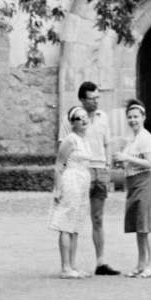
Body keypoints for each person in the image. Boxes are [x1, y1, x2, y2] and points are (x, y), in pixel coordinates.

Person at [76, 81, 120, 275]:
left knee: (98, 217)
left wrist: (108, 168)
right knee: (75, 216)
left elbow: (108, 144)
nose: (96, 102)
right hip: (82, 170)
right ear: (82, 100)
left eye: (97, 98)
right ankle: (71, 264)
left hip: (100, 170)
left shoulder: (103, 117)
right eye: (92, 98)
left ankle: (101, 262)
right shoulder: (75, 117)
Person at [113, 98, 151, 278]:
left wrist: (127, 158)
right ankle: (141, 264)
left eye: (136, 117)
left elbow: (150, 162)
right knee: (139, 225)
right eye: (130, 117)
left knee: (147, 224)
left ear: (143, 117)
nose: (133, 120)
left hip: (146, 181)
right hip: (133, 182)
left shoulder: (146, 137)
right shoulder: (132, 139)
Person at [49, 105, 92, 278]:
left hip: (83, 182)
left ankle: (73, 266)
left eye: (85, 117)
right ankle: (65, 267)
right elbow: (59, 165)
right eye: (79, 118)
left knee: (76, 225)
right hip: (71, 180)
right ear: (72, 123)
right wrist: (58, 188)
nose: (83, 120)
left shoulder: (85, 140)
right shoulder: (70, 139)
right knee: (66, 224)